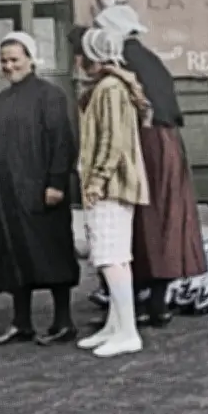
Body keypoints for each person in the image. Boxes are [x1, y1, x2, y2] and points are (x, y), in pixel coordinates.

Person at [95, 5, 207, 327]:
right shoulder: (151, 59)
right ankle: (157, 301)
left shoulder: (123, 63)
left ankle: (136, 302)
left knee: (141, 220)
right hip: (166, 143)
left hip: (145, 144)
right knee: (164, 219)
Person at [0, 32, 79, 347]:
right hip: (5, 195)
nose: (8, 66)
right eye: (4, 61)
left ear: (30, 59)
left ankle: (63, 321)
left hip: (41, 192)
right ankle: (21, 322)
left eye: (14, 59)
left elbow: (62, 142)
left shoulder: (50, 96)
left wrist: (56, 182)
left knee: (53, 253)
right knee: (13, 255)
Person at [76, 28, 151, 358]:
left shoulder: (109, 89)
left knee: (110, 259)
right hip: (116, 183)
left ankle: (128, 331)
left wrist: (97, 180)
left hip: (112, 185)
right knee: (117, 256)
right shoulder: (114, 86)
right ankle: (115, 325)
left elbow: (112, 139)